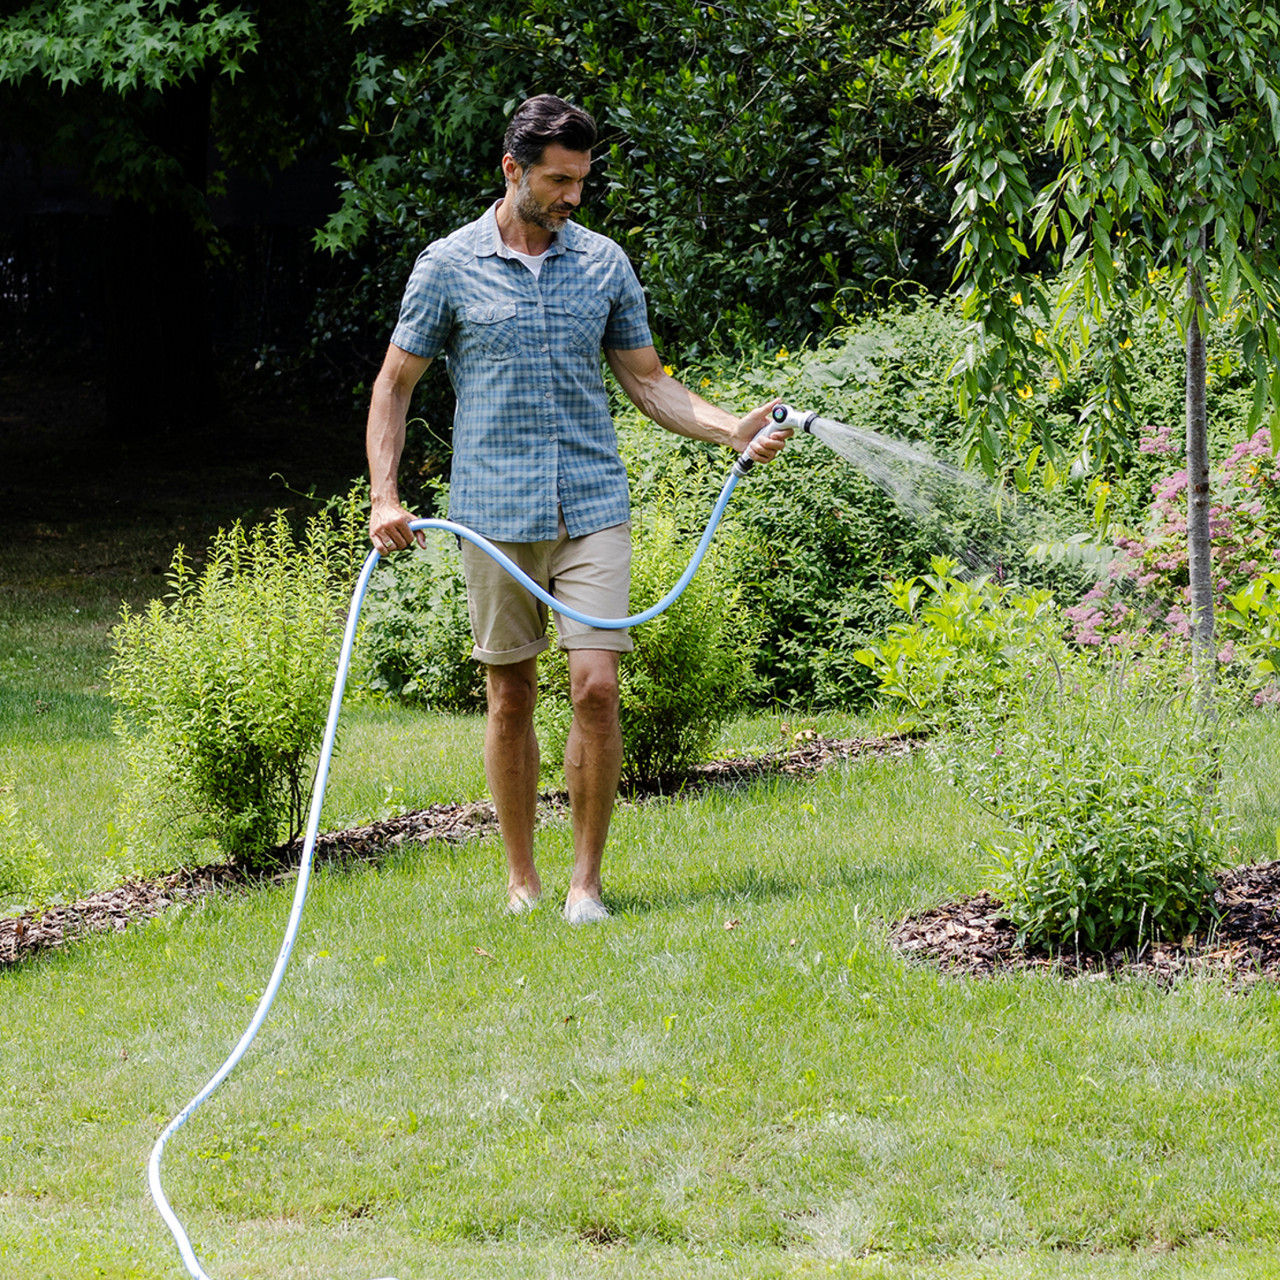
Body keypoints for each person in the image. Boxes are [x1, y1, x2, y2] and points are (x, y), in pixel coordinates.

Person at [366, 94, 790, 924]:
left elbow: (648, 380)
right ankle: (523, 879)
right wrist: (386, 494)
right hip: (492, 513)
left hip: (593, 505)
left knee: (595, 687)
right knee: (511, 694)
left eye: (582, 181)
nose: (573, 197)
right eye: (558, 181)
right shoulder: (447, 265)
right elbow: (394, 386)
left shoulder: (603, 263)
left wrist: (726, 430)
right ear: (512, 169)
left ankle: (585, 885)